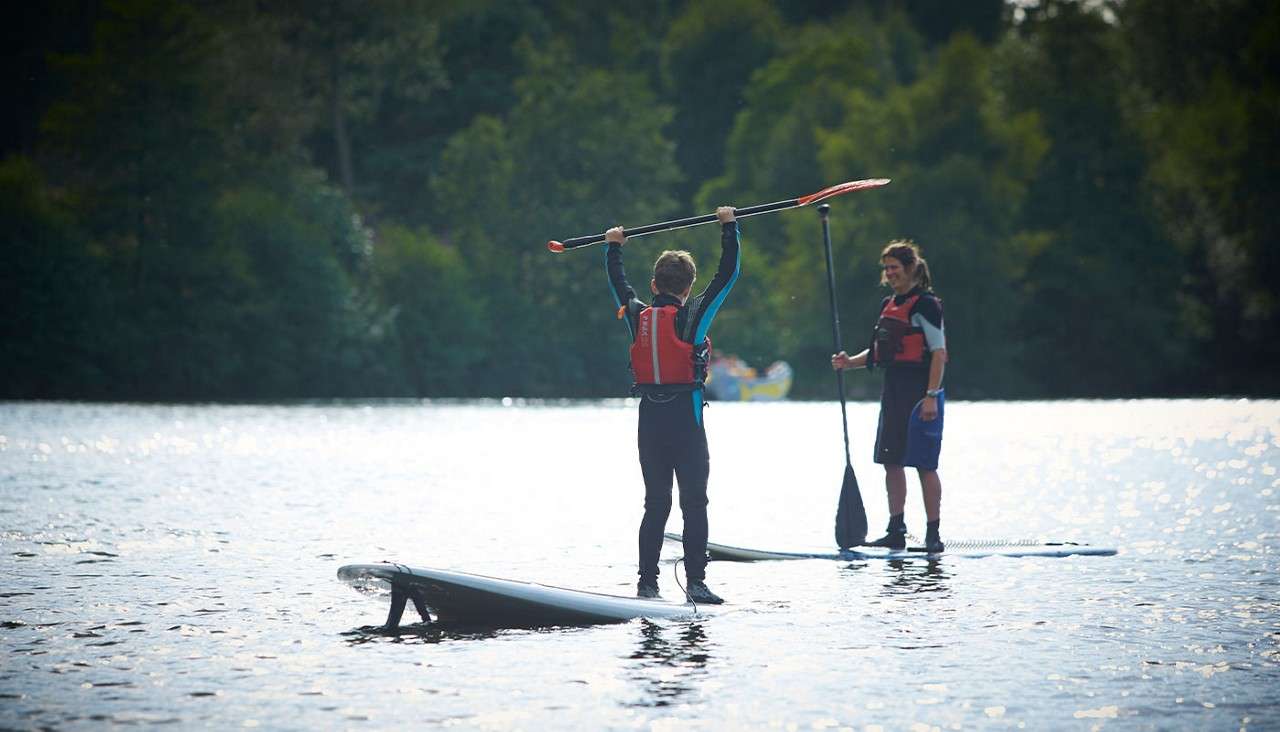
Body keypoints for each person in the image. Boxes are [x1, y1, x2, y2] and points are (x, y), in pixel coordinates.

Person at [605, 206, 740, 603]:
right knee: (694, 503)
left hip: (651, 424)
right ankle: (696, 584)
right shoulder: (694, 317)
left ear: (654, 283)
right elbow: (727, 276)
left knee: (656, 504)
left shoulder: (637, 315)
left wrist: (613, 247)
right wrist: (729, 227)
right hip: (687, 424)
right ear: (688, 287)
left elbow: (618, 284)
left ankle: (647, 585)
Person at [831, 240, 947, 553]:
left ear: (910, 269)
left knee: (924, 464)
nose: (890, 273)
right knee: (891, 461)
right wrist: (848, 362)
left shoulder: (926, 304)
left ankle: (933, 535)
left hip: (921, 390)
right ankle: (896, 529)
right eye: (887, 268)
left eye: (894, 267)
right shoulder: (889, 304)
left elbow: (939, 353)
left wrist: (931, 396)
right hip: (894, 387)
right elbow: (881, 351)